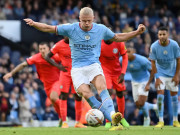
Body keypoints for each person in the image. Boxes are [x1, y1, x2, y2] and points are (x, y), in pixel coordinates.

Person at [24, 7, 146, 130]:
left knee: (102, 89)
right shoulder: (71, 28)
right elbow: (48, 28)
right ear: (79, 19)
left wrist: (136, 32)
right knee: (87, 94)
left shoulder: (100, 29)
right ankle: (111, 116)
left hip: (94, 66)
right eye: (84, 21)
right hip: (77, 70)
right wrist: (34, 24)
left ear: (93, 19)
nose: (87, 23)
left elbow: (118, 37)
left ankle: (113, 116)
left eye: (89, 20)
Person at [3, 42, 67, 126]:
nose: (42, 51)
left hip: (57, 81)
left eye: (44, 48)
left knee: (53, 97)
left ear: (49, 49)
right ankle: (61, 118)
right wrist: (11, 73)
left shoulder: (55, 56)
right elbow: (23, 64)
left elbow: (66, 61)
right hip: (46, 85)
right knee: (54, 102)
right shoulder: (36, 57)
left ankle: (65, 118)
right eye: (40, 49)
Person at [45, 37, 87, 128]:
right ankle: (64, 122)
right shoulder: (59, 45)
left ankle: (78, 122)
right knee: (63, 96)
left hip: (77, 74)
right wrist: (58, 66)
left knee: (78, 96)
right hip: (65, 74)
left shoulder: (77, 43)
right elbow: (47, 56)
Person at [146, 26, 180, 128]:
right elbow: (153, 63)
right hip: (160, 74)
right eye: (160, 34)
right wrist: (157, 77)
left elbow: (179, 61)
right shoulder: (154, 46)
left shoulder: (174, 45)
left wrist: (177, 75)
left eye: (164, 34)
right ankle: (161, 121)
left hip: (172, 73)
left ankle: (175, 120)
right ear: (158, 35)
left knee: (174, 96)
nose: (162, 36)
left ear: (168, 35)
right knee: (160, 94)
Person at [99, 40, 129, 128]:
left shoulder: (119, 42)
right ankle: (108, 120)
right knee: (107, 93)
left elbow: (125, 57)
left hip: (117, 72)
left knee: (120, 93)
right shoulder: (99, 42)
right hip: (105, 71)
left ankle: (121, 117)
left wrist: (123, 73)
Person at [126, 47, 157, 126]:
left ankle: (146, 118)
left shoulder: (142, 60)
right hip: (134, 82)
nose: (127, 54)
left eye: (129, 51)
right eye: (126, 52)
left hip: (144, 81)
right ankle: (154, 107)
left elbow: (153, 70)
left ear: (134, 51)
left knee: (141, 102)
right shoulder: (123, 59)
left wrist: (148, 84)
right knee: (138, 105)